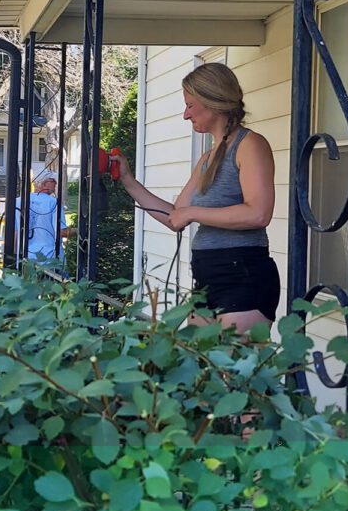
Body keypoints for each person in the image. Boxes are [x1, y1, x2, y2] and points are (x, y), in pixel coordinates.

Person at [112, 62, 280, 333]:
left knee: (232, 372)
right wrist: (129, 181)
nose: (185, 115)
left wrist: (193, 213)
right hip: (207, 278)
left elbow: (259, 213)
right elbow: (175, 217)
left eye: (190, 105)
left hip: (242, 275)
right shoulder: (207, 158)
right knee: (200, 369)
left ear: (213, 101)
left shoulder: (250, 145)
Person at [15, 171, 69, 263]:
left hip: (26, 256)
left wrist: (15, 257)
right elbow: (62, 232)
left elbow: (15, 232)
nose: (56, 184)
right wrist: (79, 231)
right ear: (44, 184)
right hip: (49, 257)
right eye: (53, 181)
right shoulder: (53, 202)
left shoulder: (19, 201)